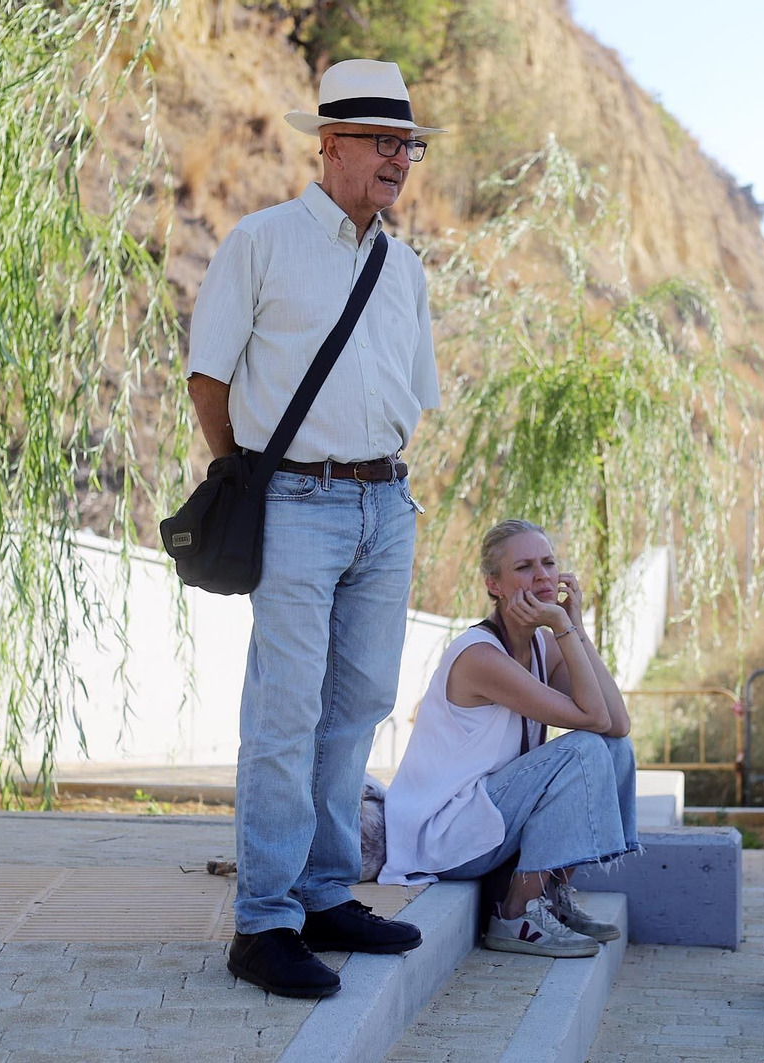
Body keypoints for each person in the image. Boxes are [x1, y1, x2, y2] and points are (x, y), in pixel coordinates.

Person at [185, 59, 444, 999]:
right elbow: (209, 375)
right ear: (328, 144)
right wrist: (242, 474)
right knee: (286, 712)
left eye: (406, 144)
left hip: (386, 504)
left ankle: (327, 892)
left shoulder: (404, 265)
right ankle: (262, 922)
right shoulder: (260, 242)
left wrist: (384, 485)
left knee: (359, 704)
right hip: (293, 500)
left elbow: (412, 394)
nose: (399, 160)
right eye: (381, 142)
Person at [380, 520, 639, 957]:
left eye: (549, 562)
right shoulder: (482, 656)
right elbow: (592, 719)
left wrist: (573, 626)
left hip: (490, 820)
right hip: (445, 836)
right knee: (584, 748)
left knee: (615, 749)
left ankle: (550, 896)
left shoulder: (544, 645)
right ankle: (515, 915)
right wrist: (561, 624)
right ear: (494, 584)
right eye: (524, 567)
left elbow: (618, 722)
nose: (542, 576)